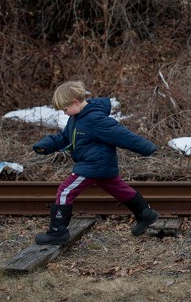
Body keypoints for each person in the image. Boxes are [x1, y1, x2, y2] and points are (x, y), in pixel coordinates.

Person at [32, 81, 159, 245]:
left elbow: (121, 134)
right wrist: (46, 145)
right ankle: (145, 214)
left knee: (65, 191)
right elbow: (65, 138)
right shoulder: (76, 118)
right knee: (120, 189)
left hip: (92, 165)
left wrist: (146, 147)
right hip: (100, 165)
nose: (64, 113)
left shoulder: (94, 119)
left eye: (65, 109)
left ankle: (58, 232)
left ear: (75, 102)